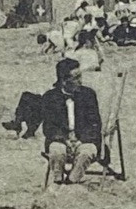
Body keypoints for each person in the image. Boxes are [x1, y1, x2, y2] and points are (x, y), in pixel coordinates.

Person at [41, 58, 102, 189]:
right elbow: (49, 127)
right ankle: (58, 181)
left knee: (87, 152)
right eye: (76, 78)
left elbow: (95, 124)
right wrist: (64, 140)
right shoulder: (50, 97)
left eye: (81, 76)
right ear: (64, 81)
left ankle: (71, 182)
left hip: (84, 140)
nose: (81, 81)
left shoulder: (88, 95)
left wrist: (82, 140)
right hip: (61, 140)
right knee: (57, 151)